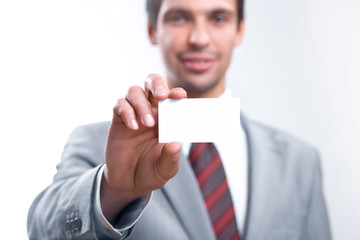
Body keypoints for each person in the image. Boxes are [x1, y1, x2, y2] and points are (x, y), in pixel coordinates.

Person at [27, 0, 332, 239]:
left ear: (240, 29)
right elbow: (42, 230)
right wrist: (114, 189)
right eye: (179, 17)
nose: (199, 38)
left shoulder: (299, 161)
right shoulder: (99, 144)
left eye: (219, 18)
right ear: (151, 29)